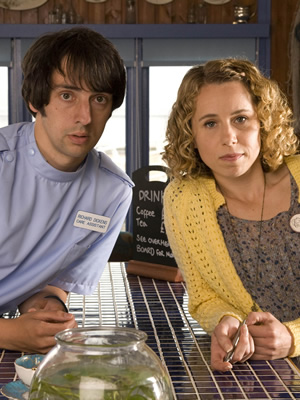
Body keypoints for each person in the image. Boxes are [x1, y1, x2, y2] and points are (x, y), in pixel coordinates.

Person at [0, 27, 133, 353]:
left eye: (99, 99)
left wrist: (47, 309)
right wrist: (7, 333)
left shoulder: (113, 194)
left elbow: (55, 282)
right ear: (35, 100)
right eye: (67, 95)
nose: (85, 117)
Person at [162, 58, 300, 372]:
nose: (229, 137)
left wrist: (293, 338)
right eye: (210, 123)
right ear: (191, 133)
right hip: (259, 375)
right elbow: (203, 296)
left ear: (263, 122)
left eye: (240, 119)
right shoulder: (183, 199)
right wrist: (226, 320)